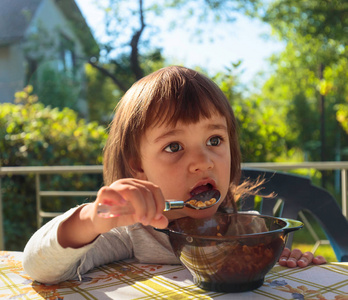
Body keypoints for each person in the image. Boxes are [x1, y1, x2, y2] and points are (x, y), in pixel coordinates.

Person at [23, 66, 326, 284]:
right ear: (138, 166)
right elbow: (39, 268)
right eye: (174, 146)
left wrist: (287, 261)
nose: (202, 162)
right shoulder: (131, 235)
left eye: (214, 141)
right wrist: (90, 220)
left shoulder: (248, 231)